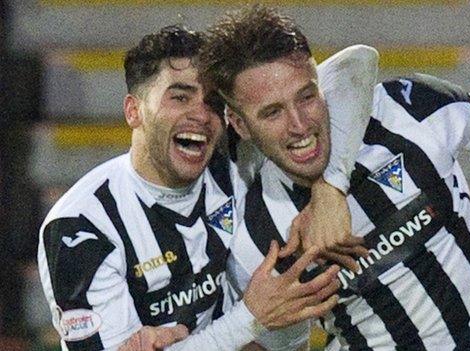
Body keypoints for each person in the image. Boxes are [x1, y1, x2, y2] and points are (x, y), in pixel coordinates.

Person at [199, 5, 470, 350]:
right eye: (271, 112)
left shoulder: (411, 110)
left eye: (307, 97)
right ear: (237, 122)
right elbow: (279, 342)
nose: (299, 125)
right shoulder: (252, 230)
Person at [37, 24, 379, 351]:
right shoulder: (81, 227)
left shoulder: (235, 156)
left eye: (213, 103)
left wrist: (330, 188)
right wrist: (250, 318)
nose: (201, 115)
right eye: (180, 98)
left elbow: (357, 63)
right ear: (133, 111)